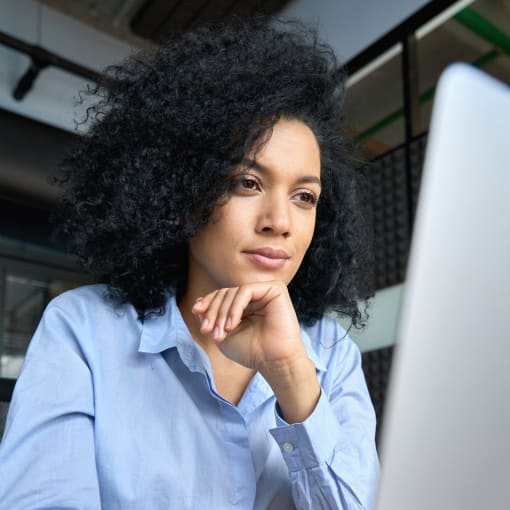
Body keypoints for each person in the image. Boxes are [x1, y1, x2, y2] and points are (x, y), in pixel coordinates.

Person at [0, 17, 379, 510]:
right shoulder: (85, 331)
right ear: (182, 192)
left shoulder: (332, 355)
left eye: (305, 196)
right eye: (247, 182)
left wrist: (291, 373)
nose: (280, 221)